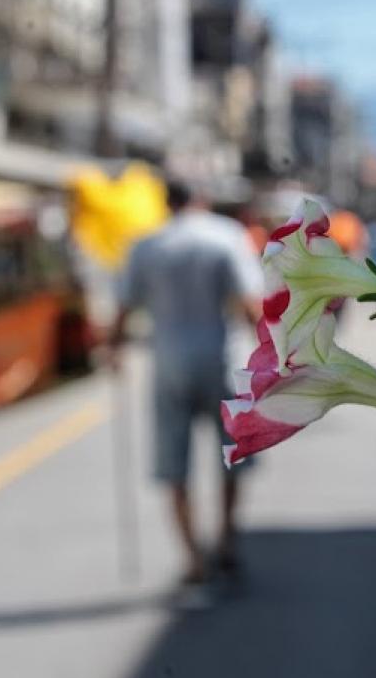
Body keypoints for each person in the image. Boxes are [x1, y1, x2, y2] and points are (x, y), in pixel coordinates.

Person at [109, 179, 263, 602]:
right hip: (222, 357)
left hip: (169, 361)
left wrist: (114, 350)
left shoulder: (147, 245)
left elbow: (124, 307)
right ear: (202, 197)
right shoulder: (226, 235)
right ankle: (227, 539)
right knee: (233, 454)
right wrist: (271, 355)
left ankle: (194, 558)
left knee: (174, 462)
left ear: (165, 202)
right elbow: (251, 301)